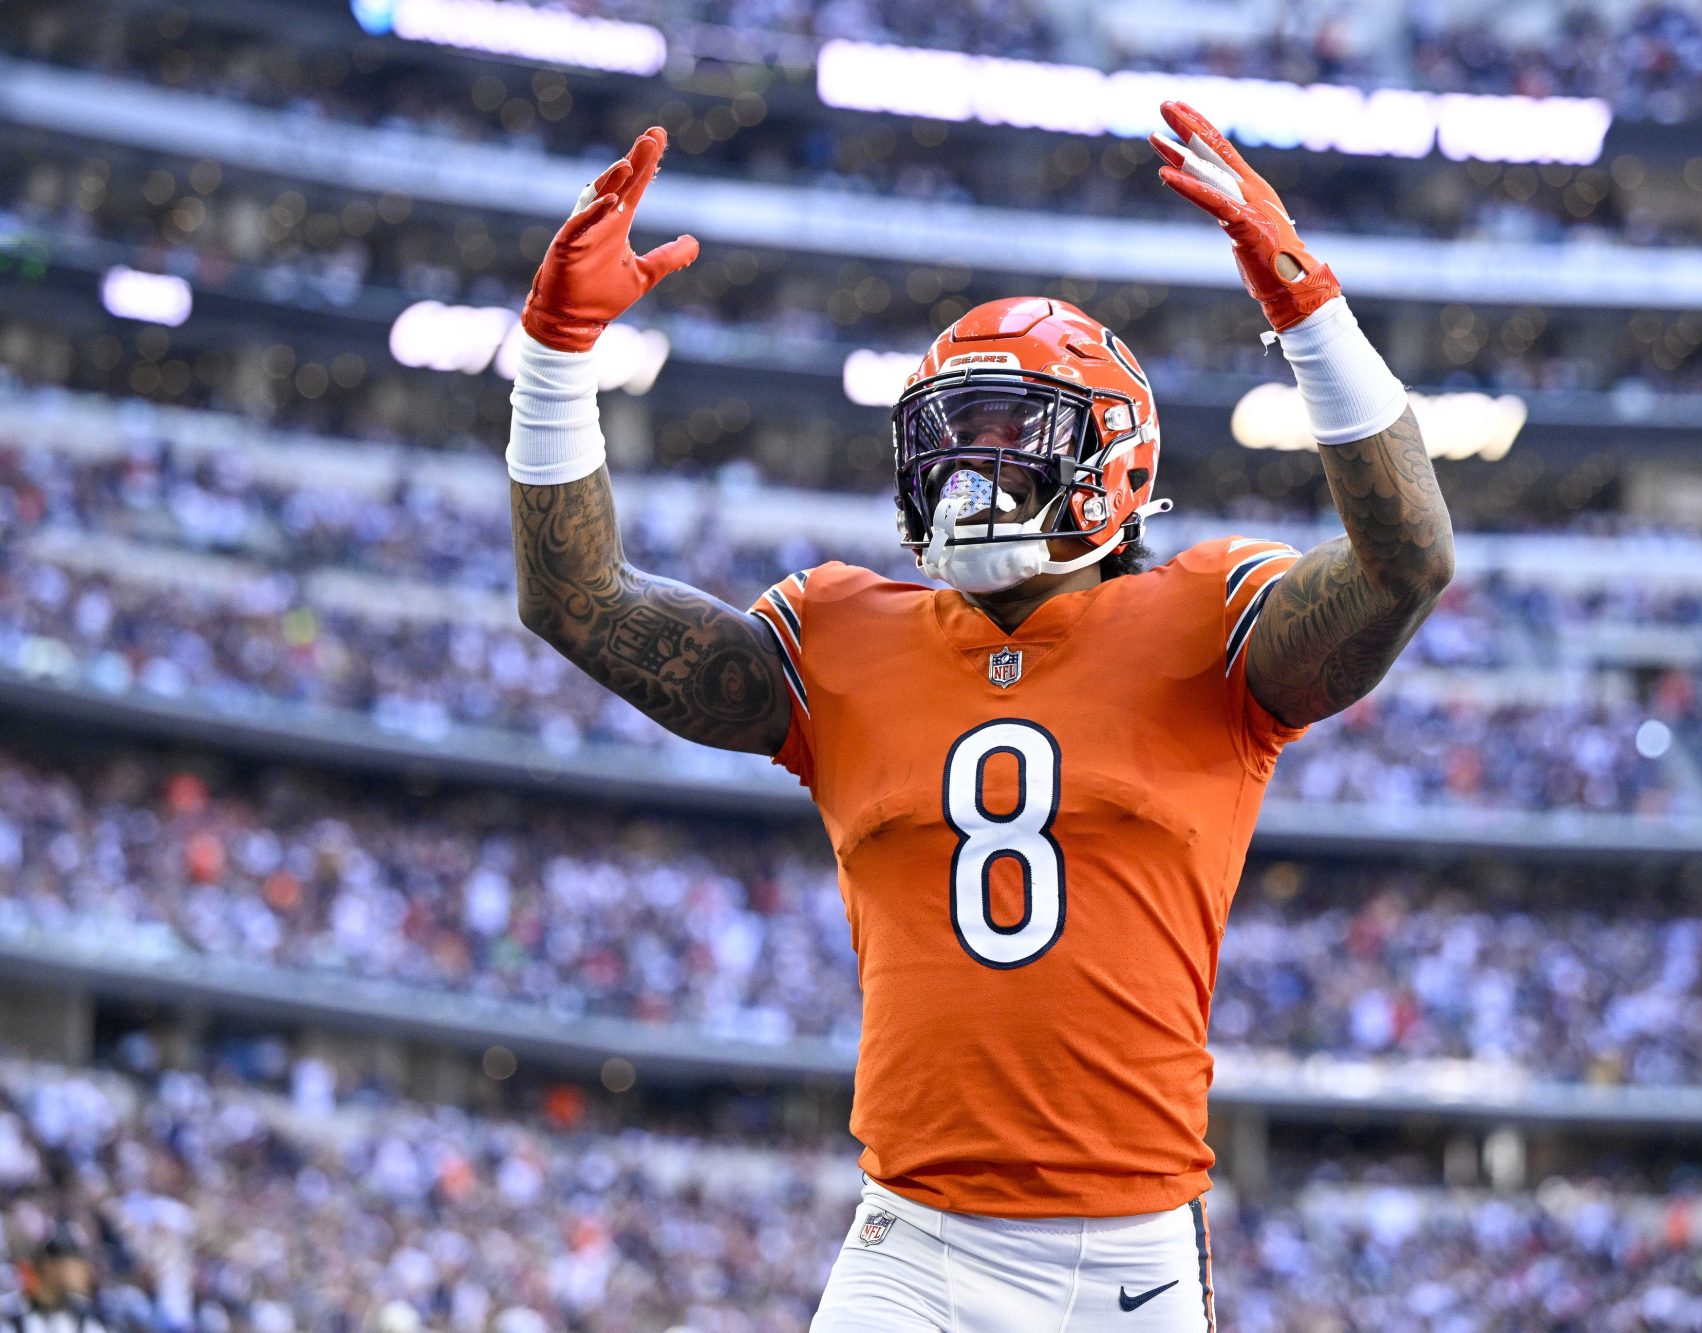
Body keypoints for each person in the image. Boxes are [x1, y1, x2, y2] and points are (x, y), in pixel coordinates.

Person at [506, 101, 1452, 1331]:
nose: (967, 471)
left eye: (1010, 437)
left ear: (1112, 459)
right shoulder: (838, 635)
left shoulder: (1207, 624)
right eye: (948, 440)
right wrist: (554, 357)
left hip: (1129, 1256)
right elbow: (576, 601)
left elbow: (1405, 564)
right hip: (914, 1244)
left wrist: (1307, 312)